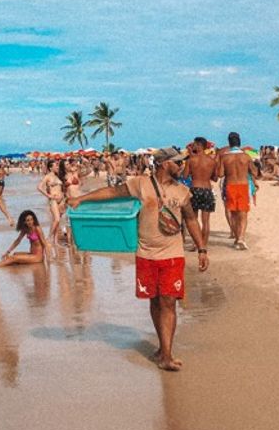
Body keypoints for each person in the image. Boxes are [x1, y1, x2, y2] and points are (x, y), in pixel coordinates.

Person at [68, 147, 209, 371]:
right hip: (146, 254)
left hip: (172, 255)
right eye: (177, 162)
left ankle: (167, 355)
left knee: (169, 301)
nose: (182, 166)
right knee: (154, 300)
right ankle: (163, 347)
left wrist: (202, 248)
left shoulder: (183, 191)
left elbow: (191, 220)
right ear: (164, 163)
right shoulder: (140, 184)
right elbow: (113, 193)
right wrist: (82, 200)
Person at [214, 132, 258, 249]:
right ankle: (241, 239)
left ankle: (237, 236)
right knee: (243, 214)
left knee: (233, 213)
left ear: (229, 143)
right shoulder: (246, 157)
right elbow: (255, 172)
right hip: (243, 185)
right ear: (240, 142)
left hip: (230, 185)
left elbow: (220, 174)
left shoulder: (225, 157)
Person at [183, 137, 216, 251]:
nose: (193, 146)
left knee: (194, 219)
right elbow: (215, 178)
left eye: (194, 144)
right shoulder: (212, 161)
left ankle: (195, 244)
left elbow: (185, 176)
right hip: (207, 189)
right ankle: (204, 245)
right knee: (206, 221)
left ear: (198, 145)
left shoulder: (191, 160)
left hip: (195, 189)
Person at [37, 160, 66, 244]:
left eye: (57, 166)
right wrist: (48, 195)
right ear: (50, 168)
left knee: (57, 221)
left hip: (61, 201)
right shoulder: (47, 176)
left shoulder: (58, 176)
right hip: (53, 200)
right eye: (55, 166)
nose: (57, 167)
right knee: (56, 220)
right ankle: (48, 238)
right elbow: (39, 187)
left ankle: (55, 241)